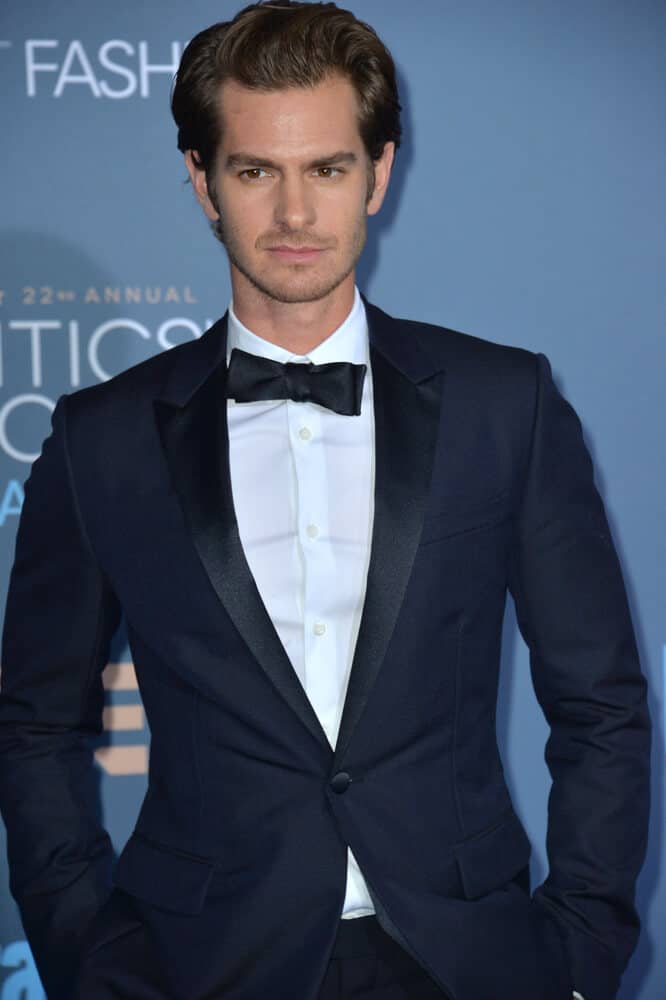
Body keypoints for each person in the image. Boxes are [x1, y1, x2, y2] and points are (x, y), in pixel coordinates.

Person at [0, 2, 650, 999]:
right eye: (256, 170)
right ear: (201, 179)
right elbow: (38, 725)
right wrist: (90, 959)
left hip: (468, 963)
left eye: (329, 169)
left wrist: (575, 956)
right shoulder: (105, 440)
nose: (294, 214)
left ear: (379, 173)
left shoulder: (502, 406)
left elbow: (601, 703)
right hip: (198, 966)